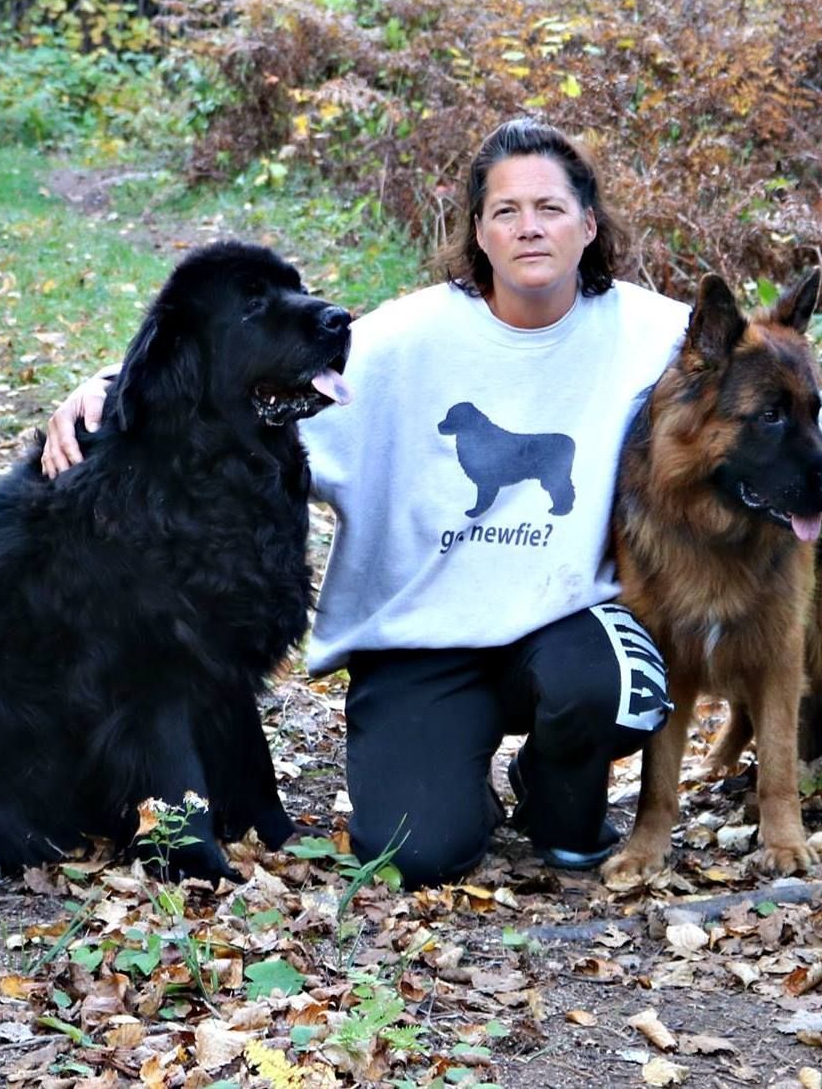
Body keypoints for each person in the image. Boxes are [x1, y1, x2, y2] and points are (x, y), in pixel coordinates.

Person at [41, 118, 689, 886]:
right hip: (420, 640)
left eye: (549, 208)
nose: (529, 229)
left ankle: (556, 794)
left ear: (589, 222)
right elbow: (238, 388)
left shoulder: (657, 333)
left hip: (565, 624)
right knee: (419, 854)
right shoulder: (405, 340)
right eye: (505, 211)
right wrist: (109, 391)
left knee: (613, 682)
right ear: (478, 233)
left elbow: (770, 390)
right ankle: (455, 776)